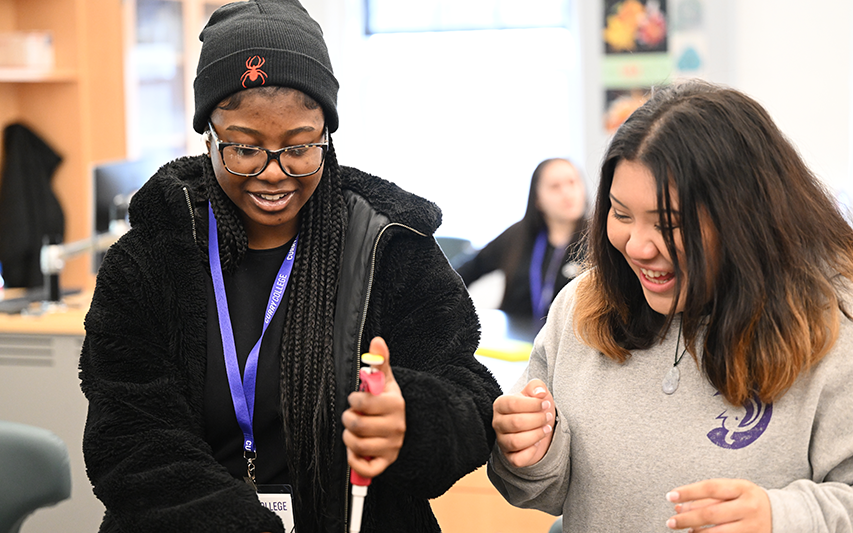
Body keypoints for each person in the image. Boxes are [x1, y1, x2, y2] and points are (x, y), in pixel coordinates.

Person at [78, 1, 501, 532]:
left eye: (300, 146)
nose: (273, 174)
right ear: (208, 135)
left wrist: (412, 420)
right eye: (245, 148)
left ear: (327, 133)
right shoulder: (150, 259)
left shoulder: (390, 246)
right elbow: (130, 436)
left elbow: (472, 391)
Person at [487, 79, 853, 532]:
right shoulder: (582, 306)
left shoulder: (834, 323)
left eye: (669, 224)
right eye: (620, 214)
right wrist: (532, 449)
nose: (637, 246)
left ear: (746, 219)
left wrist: (783, 518)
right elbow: (539, 491)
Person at [455, 158, 588, 335]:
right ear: (537, 199)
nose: (567, 193)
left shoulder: (599, 240)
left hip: (570, 346)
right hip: (516, 345)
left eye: (572, 182)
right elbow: (465, 271)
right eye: (555, 187)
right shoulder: (517, 235)